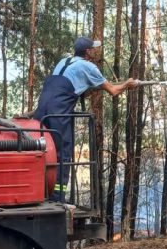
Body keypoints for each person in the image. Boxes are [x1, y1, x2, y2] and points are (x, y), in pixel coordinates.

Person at [35, 37, 136, 202]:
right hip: (59, 113)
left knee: (41, 151)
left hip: (42, 110)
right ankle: (57, 198)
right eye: (94, 48)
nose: (96, 51)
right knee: (64, 155)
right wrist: (128, 85)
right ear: (88, 52)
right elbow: (113, 91)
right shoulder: (89, 66)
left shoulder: (64, 61)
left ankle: (40, 191)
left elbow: (77, 88)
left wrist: (105, 86)